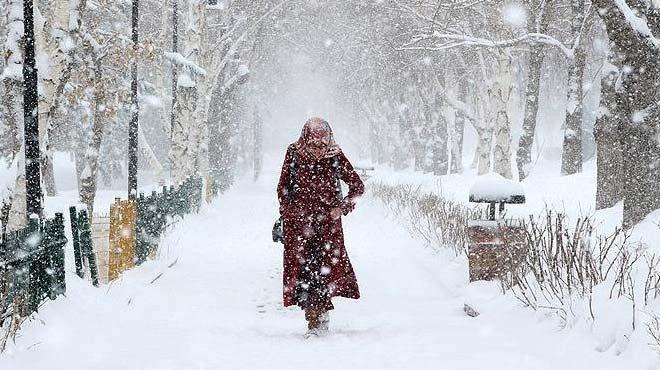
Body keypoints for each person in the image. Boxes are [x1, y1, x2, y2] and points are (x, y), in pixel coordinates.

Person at [277, 117, 365, 337]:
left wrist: (342, 208)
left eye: (322, 146)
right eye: (314, 145)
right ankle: (313, 317)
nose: (318, 151)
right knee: (304, 274)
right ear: (305, 139)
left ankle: (319, 318)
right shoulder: (294, 153)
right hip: (299, 227)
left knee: (323, 272)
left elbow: (357, 187)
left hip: (328, 228)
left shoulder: (334, 156)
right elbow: (283, 187)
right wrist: (289, 212)